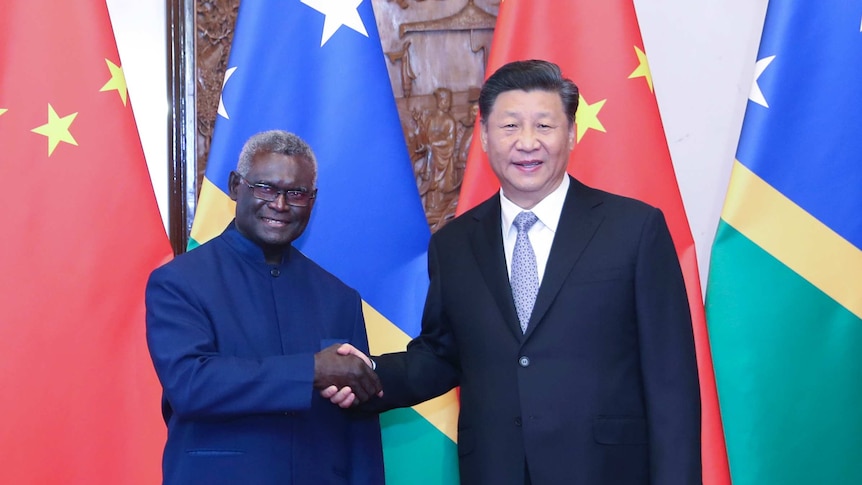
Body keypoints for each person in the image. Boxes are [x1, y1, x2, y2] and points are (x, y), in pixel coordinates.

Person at [328, 60, 701, 484]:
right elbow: (441, 355)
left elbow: (672, 383)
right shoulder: (454, 245)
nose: (527, 143)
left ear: (572, 134)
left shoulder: (634, 229)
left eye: (544, 126)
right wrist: (368, 376)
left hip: (605, 471)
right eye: (509, 127)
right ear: (484, 137)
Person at [146, 130, 384, 485]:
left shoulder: (339, 297)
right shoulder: (179, 282)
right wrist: (311, 371)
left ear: (313, 199)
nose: (280, 205)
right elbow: (191, 386)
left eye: (296, 193)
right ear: (234, 186)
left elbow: (359, 426)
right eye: (266, 188)